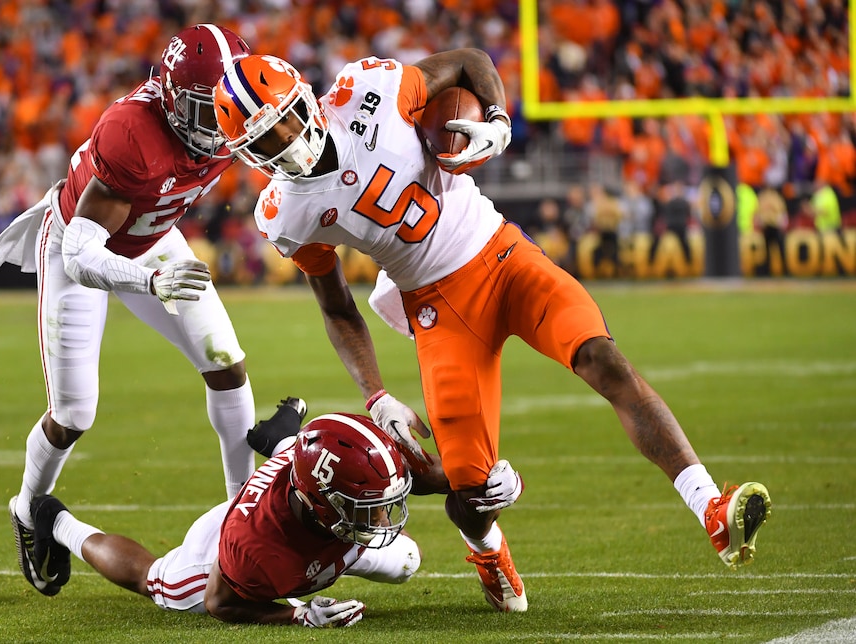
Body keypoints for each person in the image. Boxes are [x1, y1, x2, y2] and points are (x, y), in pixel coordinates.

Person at [212, 49, 773, 612]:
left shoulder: (369, 90)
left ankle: (710, 508)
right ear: (246, 155)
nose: (283, 138)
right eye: (263, 139)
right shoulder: (286, 212)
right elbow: (337, 308)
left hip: (501, 254)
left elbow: (468, 61)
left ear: (303, 96)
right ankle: (488, 550)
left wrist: (498, 121)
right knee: (470, 488)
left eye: (283, 116)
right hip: (438, 307)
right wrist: (376, 394)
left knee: (603, 358)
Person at [0, 25, 258, 597]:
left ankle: (246, 516)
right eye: (203, 108)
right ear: (167, 94)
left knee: (227, 364)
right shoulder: (132, 133)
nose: (217, 124)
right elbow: (84, 256)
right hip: (78, 245)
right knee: (73, 414)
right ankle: (28, 507)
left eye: (226, 107)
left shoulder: (239, 110)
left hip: (153, 237)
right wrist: (151, 280)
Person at [25, 400, 457, 627]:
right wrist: (298, 614)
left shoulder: (317, 470)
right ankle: (57, 521)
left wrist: (479, 479)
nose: (384, 520)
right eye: (370, 509)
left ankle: (276, 433)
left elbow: (304, 450)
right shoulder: (254, 551)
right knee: (156, 582)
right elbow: (220, 604)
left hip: (301, 512)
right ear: (324, 503)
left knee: (406, 561)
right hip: (220, 553)